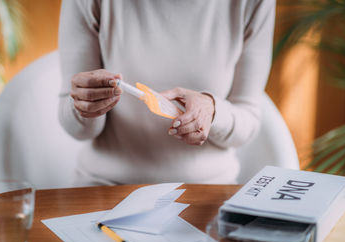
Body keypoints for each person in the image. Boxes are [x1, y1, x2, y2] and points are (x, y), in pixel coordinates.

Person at [58, 0, 276, 186]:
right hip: (106, 187)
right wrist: (84, 107)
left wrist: (213, 112)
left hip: (208, 191)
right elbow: (76, 128)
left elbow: (248, 117)